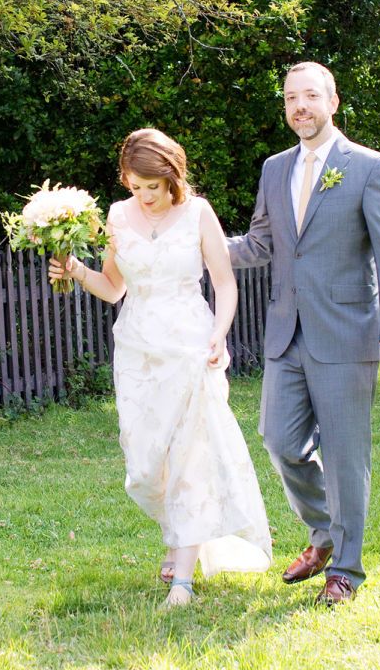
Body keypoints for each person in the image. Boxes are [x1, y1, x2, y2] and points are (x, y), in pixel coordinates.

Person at [49, 127, 272, 606]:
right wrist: (75, 270)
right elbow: (113, 287)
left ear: (172, 177)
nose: (145, 196)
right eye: (136, 187)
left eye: (153, 187)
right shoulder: (115, 216)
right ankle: (178, 534)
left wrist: (220, 333)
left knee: (190, 453)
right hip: (136, 350)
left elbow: (225, 283)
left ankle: (183, 579)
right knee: (146, 464)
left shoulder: (197, 213)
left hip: (191, 345)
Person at [227, 62, 380, 605]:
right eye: (290, 98)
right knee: (280, 440)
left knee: (346, 454)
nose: (299, 106)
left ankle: (346, 571)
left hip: (348, 333)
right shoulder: (273, 168)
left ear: (332, 101)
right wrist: (199, 244)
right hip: (287, 334)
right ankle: (325, 533)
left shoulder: (369, 168)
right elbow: (261, 244)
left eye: (310, 96)